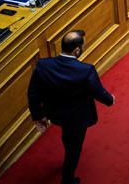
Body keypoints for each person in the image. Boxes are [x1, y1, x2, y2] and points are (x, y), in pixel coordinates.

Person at [27, 30, 114, 184]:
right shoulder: (86, 70)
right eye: (83, 45)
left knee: (68, 140)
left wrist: (39, 116)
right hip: (78, 119)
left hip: (57, 115)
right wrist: (110, 100)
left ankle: (68, 151)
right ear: (76, 50)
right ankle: (67, 179)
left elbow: (33, 94)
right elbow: (99, 93)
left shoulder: (43, 65)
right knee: (74, 148)